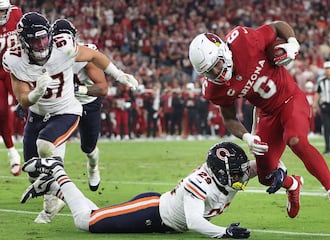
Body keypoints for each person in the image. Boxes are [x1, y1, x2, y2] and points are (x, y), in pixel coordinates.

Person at [188, 20, 330, 217]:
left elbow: (276, 27)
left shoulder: (244, 43)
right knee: (266, 176)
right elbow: (229, 118)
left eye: (217, 65)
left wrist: (293, 43)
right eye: (208, 71)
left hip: (290, 99)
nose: (216, 73)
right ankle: (293, 184)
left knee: (296, 140)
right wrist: (247, 137)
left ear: (223, 52)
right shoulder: (215, 89)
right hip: (266, 113)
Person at [2, 12, 138, 224]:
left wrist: (119, 75)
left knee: (50, 146)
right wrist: (36, 93)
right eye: (34, 40)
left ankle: (60, 197)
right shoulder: (14, 58)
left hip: (71, 108)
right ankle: (57, 193)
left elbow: (99, 74)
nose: (40, 45)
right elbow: (23, 98)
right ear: (23, 41)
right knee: (32, 169)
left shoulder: (65, 48)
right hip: (39, 112)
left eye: (43, 38)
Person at [20, 141, 287, 238]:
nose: (242, 175)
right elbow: (194, 222)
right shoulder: (201, 182)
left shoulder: (230, 170)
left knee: (97, 215)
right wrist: (224, 233)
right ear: (220, 172)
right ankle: (57, 170)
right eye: (236, 173)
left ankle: (55, 185)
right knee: (86, 222)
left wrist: (279, 171)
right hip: (152, 213)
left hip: (161, 213)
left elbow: (262, 165)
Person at [52, 18, 107, 191]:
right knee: (56, 140)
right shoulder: (48, 56)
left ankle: (93, 167)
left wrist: (76, 88)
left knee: (88, 148)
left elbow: (102, 88)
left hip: (88, 103)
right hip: (64, 103)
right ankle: (56, 185)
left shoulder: (85, 55)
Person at [0, 0, 22, 176]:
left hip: (14, 68)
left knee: (27, 103)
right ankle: (12, 151)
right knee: (1, 109)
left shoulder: (16, 13)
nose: (1, 14)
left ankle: (38, 145)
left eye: (3, 11)